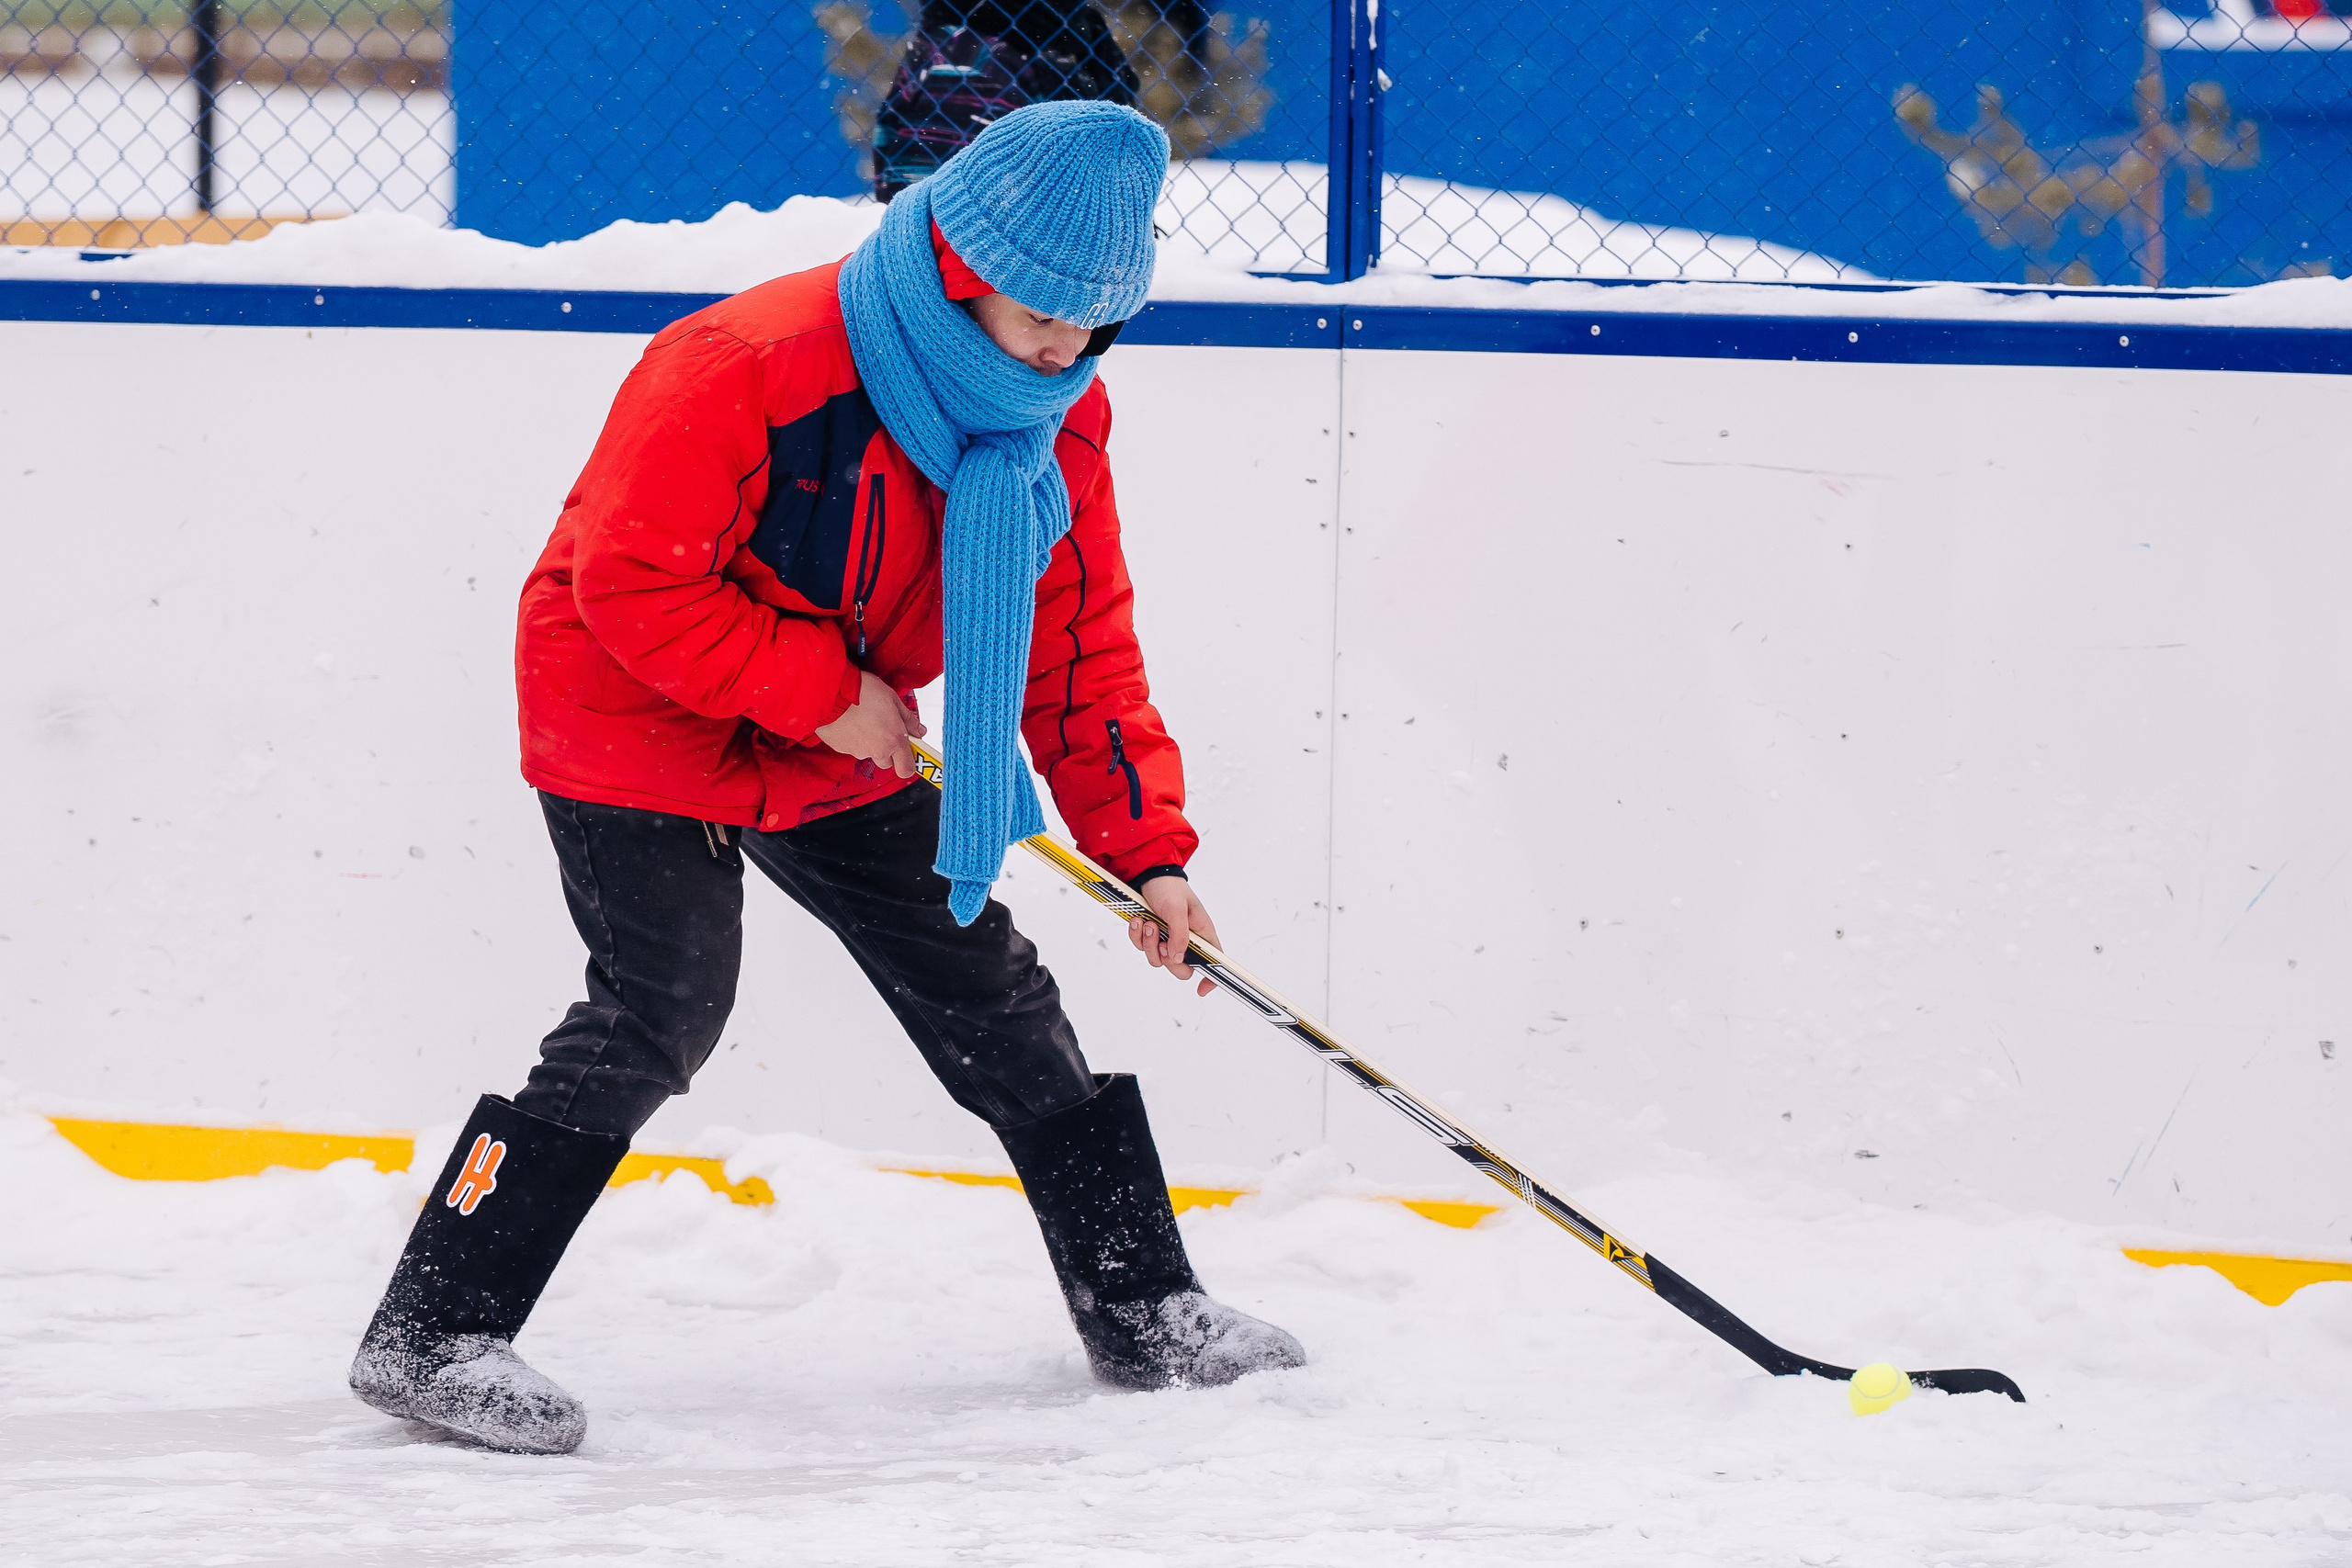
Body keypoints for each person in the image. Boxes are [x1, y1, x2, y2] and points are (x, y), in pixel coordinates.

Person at [347, 100, 1307, 1456]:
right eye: (1042, 312)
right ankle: (432, 1329)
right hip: (632, 704)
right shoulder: (746, 363)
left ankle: (1143, 1306)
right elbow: (632, 585)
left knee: (989, 983)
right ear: (965, 267)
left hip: (837, 725)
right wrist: (824, 694)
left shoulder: (1056, 420)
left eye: (1098, 322)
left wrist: (1148, 851)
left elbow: (1078, 648)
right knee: (660, 1007)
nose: (1066, 348)